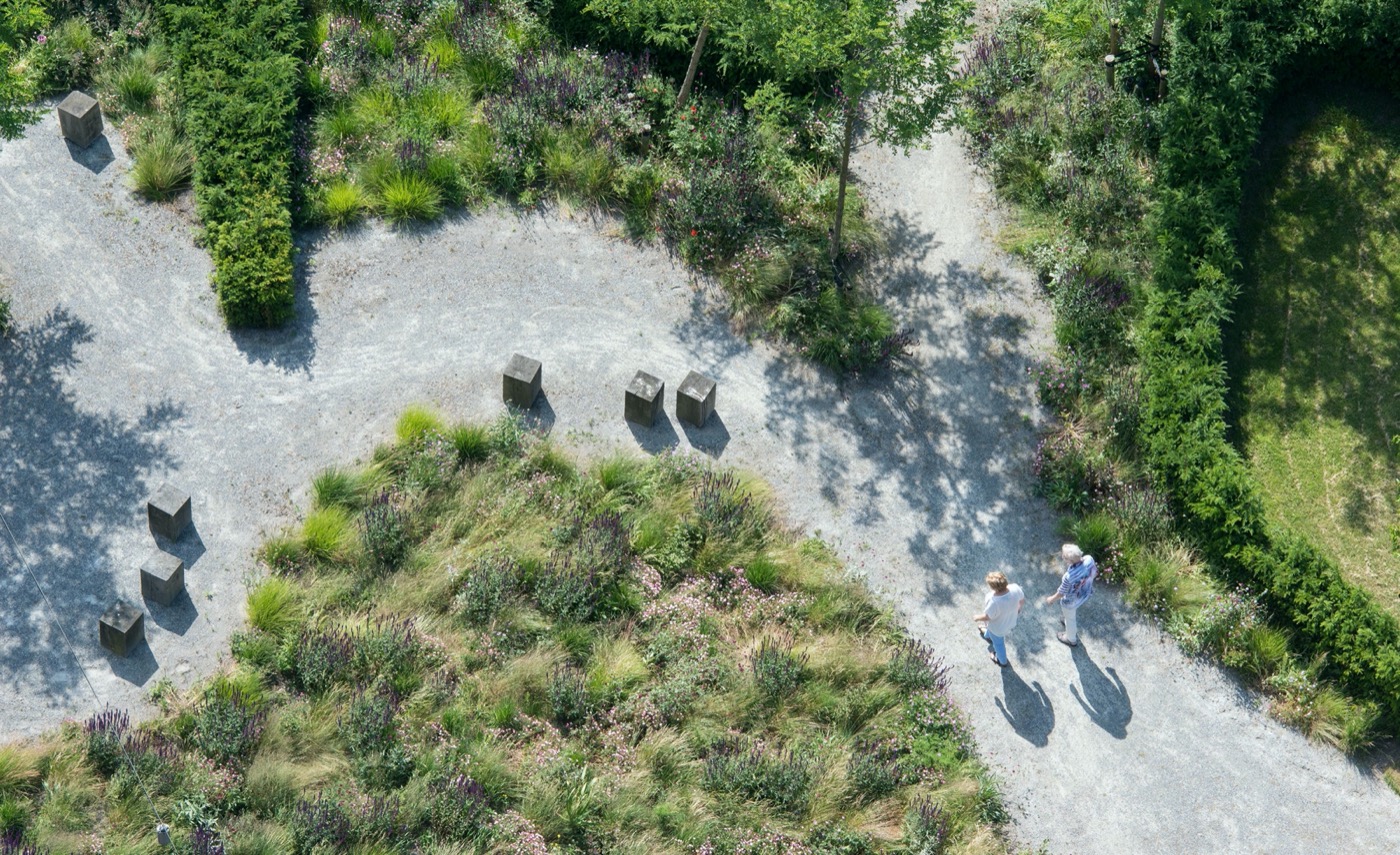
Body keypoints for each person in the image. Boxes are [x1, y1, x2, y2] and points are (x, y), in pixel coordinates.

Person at [1045, 543, 1097, 647]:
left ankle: (1071, 639)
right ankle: (1065, 619)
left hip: (1071, 602)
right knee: (1070, 614)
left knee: (1071, 619)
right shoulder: (1089, 559)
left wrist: (1051, 598)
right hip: (1084, 593)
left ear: (1069, 561)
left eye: (1063, 556)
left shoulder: (1068, 577)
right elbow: (1094, 573)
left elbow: (1061, 592)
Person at [973, 571, 1025, 667]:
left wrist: (977, 617)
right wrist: (1017, 610)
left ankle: (1002, 660)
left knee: (998, 644)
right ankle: (987, 635)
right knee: (992, 633)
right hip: (1010, 621)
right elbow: (1022, 600)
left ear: (993, 587)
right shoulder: (1015, 588)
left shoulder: (994, 601)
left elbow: (988, 616)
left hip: (998, 628)